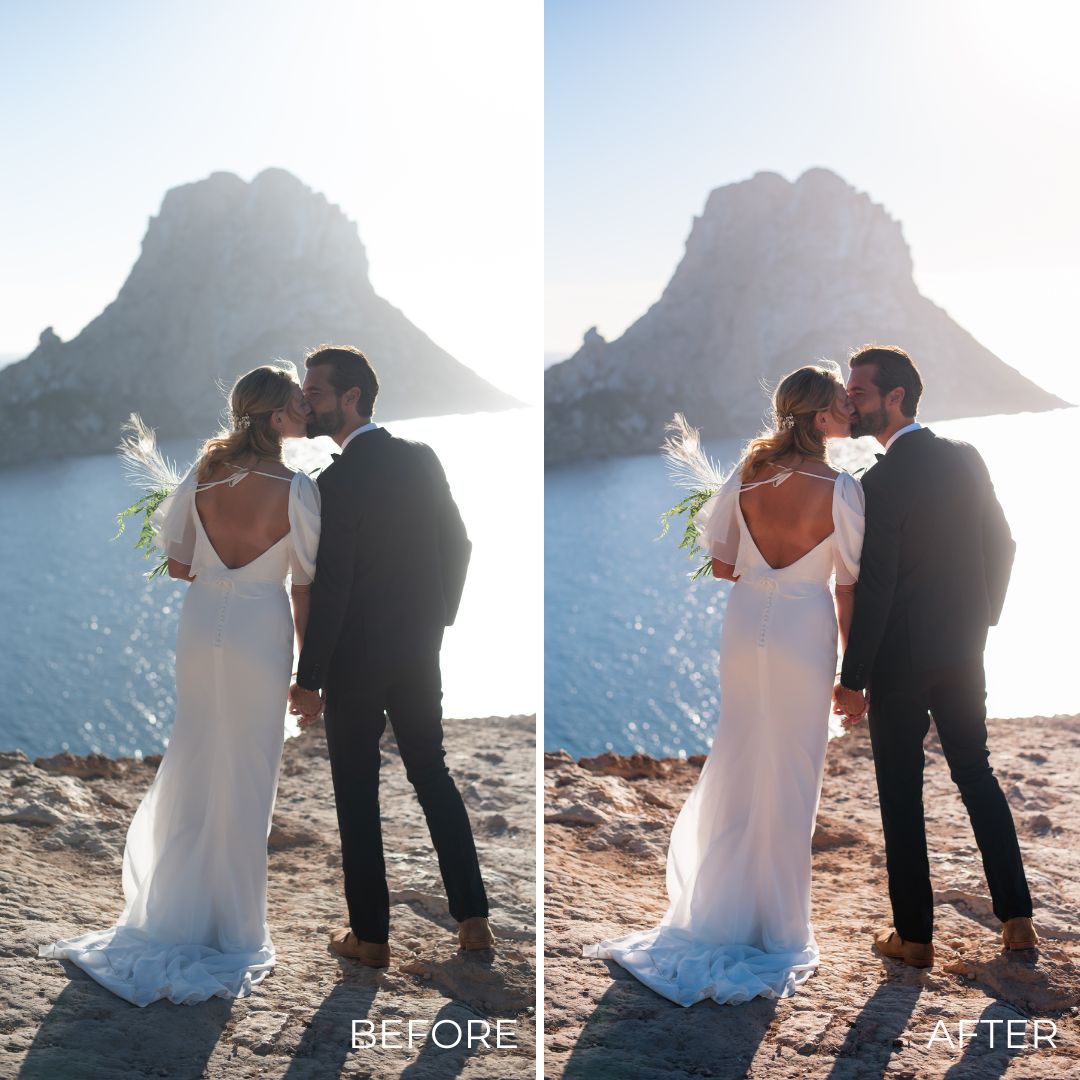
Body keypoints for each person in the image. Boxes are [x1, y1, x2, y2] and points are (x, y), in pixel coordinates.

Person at [39, 363, 321, 1006]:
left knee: (195, 753)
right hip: (259, 626)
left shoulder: (203, 476)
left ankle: (173, 911)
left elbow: (177, 565)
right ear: (275, 419)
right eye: (297, 405)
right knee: (249, 769)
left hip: (202, 627)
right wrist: (310, 676)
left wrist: (221, 571)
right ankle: (235, 928)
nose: (306, 410)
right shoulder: (298, 489)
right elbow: (302, 588)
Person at [583, 362, 864, 1006]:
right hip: (803, 627)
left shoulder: (747, 476)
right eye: (841, 406)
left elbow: (721, 563)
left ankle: (719, 912)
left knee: (739, 754)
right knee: (793, 769)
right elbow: (846, 586)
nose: (850, 411)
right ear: (820, 419)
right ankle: (780, 927)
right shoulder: (842, 488)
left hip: (745, 628)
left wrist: (766, 576)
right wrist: (852, 674)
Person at [287, 344, 492, 967]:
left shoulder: (335, 481)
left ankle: (371, 937)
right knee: (432, 773)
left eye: (315, 393)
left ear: (352, 398)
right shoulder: (421, 459)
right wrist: (436, 619)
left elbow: (335, 584)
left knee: (356, 791)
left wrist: (309, 678)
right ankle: (473, 919)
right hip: (418, 648)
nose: (306, 403)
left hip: (354, 661)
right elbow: (458, 543)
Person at [833, 344, 1037, 967]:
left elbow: (879, 583)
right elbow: (1002, 543)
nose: (850, 403)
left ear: (896, 397)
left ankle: (915, 937)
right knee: (975, 773)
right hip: (962, 649)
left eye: (860, 393)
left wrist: (853, 679)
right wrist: (981, 617)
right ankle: (1018, 919)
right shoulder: (965, 458)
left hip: (898, 664)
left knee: (901, 793)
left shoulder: (880, 481)